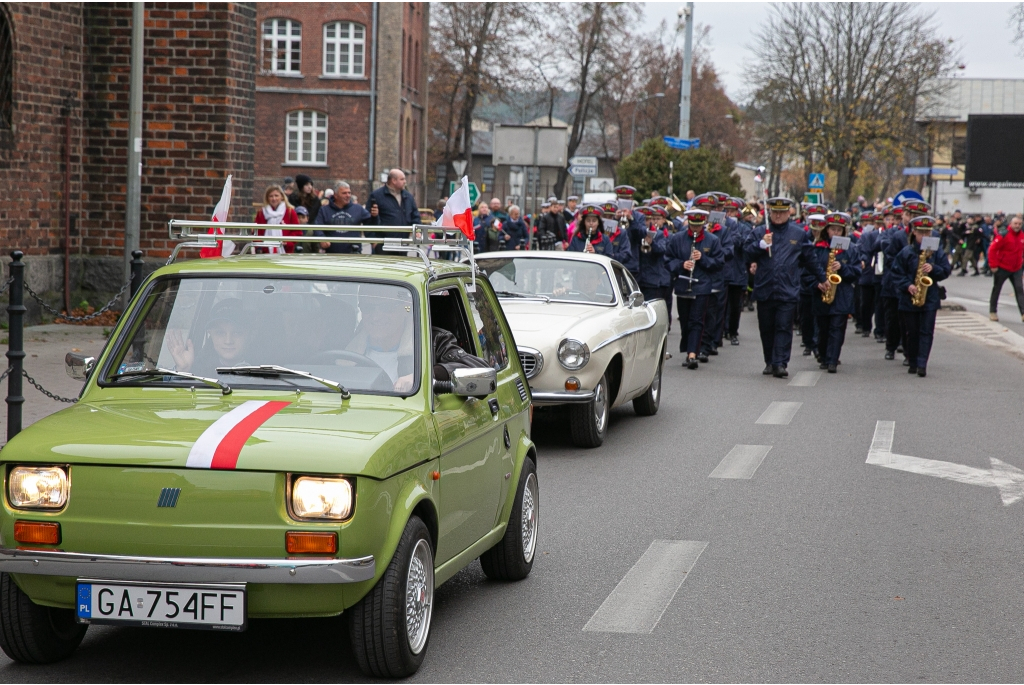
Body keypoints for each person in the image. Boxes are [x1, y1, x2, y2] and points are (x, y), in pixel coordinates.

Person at [744, 197, 825, 378]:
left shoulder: (798, 234)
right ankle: (769, 361)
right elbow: (745, 253)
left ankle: (780, 362)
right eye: (775, 212)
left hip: (787, 289)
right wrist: (760, 245)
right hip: (765, 287)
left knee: (783, 326)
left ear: (789, 212)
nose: (778, 215)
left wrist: (822, 278)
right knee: (767, 327)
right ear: (770, 212)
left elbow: (809, 259)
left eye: (782, 212)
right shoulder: (760, 232)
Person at [891, 215, 951, 377]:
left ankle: (922, 363)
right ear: (914, 233)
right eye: (921, 233)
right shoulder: (906, 252)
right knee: (912, 331)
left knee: (927, 331)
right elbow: (895, 274)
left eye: (927, 233)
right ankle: (912, 361)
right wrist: (908, 285)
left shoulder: (936, 252)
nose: (924, 236)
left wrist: (933, 269)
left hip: (930, 297)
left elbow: (946, 271)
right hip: (909, 298)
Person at [667, 208, 724, 369]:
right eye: (693, 226)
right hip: (683, 285)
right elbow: (668, 260)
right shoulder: (677, 239)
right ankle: (689, 348)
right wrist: (681, 265)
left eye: (698, 226)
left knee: (697, 320)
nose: (695, 229)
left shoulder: (712, 240)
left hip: (702, 285)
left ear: (704, 224)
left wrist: (703, 259)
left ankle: (692, 354)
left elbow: (719, 263)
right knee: (685, 322)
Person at [809, 212, 861, 373]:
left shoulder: (850, 249)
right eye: (833, 230)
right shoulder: (818, 248)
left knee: (837, 328)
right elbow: (807, 270)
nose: (836, 233)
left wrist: (843, 268)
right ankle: (824, 357)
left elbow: (857, 271)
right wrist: (817, 283)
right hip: (822, 294)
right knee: (823, 329)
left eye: (839, 230)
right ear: (827, 230)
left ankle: (832, 360)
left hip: (842, 294)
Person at [346, 285, 416, 392]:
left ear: (406, 307)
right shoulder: (344, 355)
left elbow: (449, 367)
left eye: (387, 308)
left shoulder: (430, 342)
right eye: (368, 307)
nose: (376, 317)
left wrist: (423, 376)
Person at [166, 298, 250, 375]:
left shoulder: (261, 371)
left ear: (247, 334)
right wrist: (183, 370)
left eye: (236, 333)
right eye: (220, 333)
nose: (228, 341)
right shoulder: (198, 369)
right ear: (210, 334)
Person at [314, 181, 376, 254]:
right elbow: (317, 226)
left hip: (354, 254)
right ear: (335, 195)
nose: (348, 195)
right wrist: (322, 238)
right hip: (331, 254)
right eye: (344, 193)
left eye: (349, 193)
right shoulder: (324, 210)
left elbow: (370, 225)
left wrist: (375, 216)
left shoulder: (358, 209)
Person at [987, 214, 1024, 322]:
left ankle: (1023, 313)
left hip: (1016, 268)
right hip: (1002, 267)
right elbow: (992, 249)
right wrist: (993, 265)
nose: (1017, 226)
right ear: (1011, 224)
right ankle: (993, 311)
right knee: (997, 289)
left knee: (1019, 290)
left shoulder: (1022, 236)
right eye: (1015, 224)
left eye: (1019, 224)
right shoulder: (1004, 235)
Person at [254, 185, 301, 253]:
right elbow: (256, 232)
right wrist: (259, 246)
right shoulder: (261, 213)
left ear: (282, 196)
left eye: (276, 195)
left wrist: (287, 241)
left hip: (286, 251)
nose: (274, 199)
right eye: (271, 196)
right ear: (267, 198)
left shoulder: (290, 212)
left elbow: (297, 232)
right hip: (265, 252)